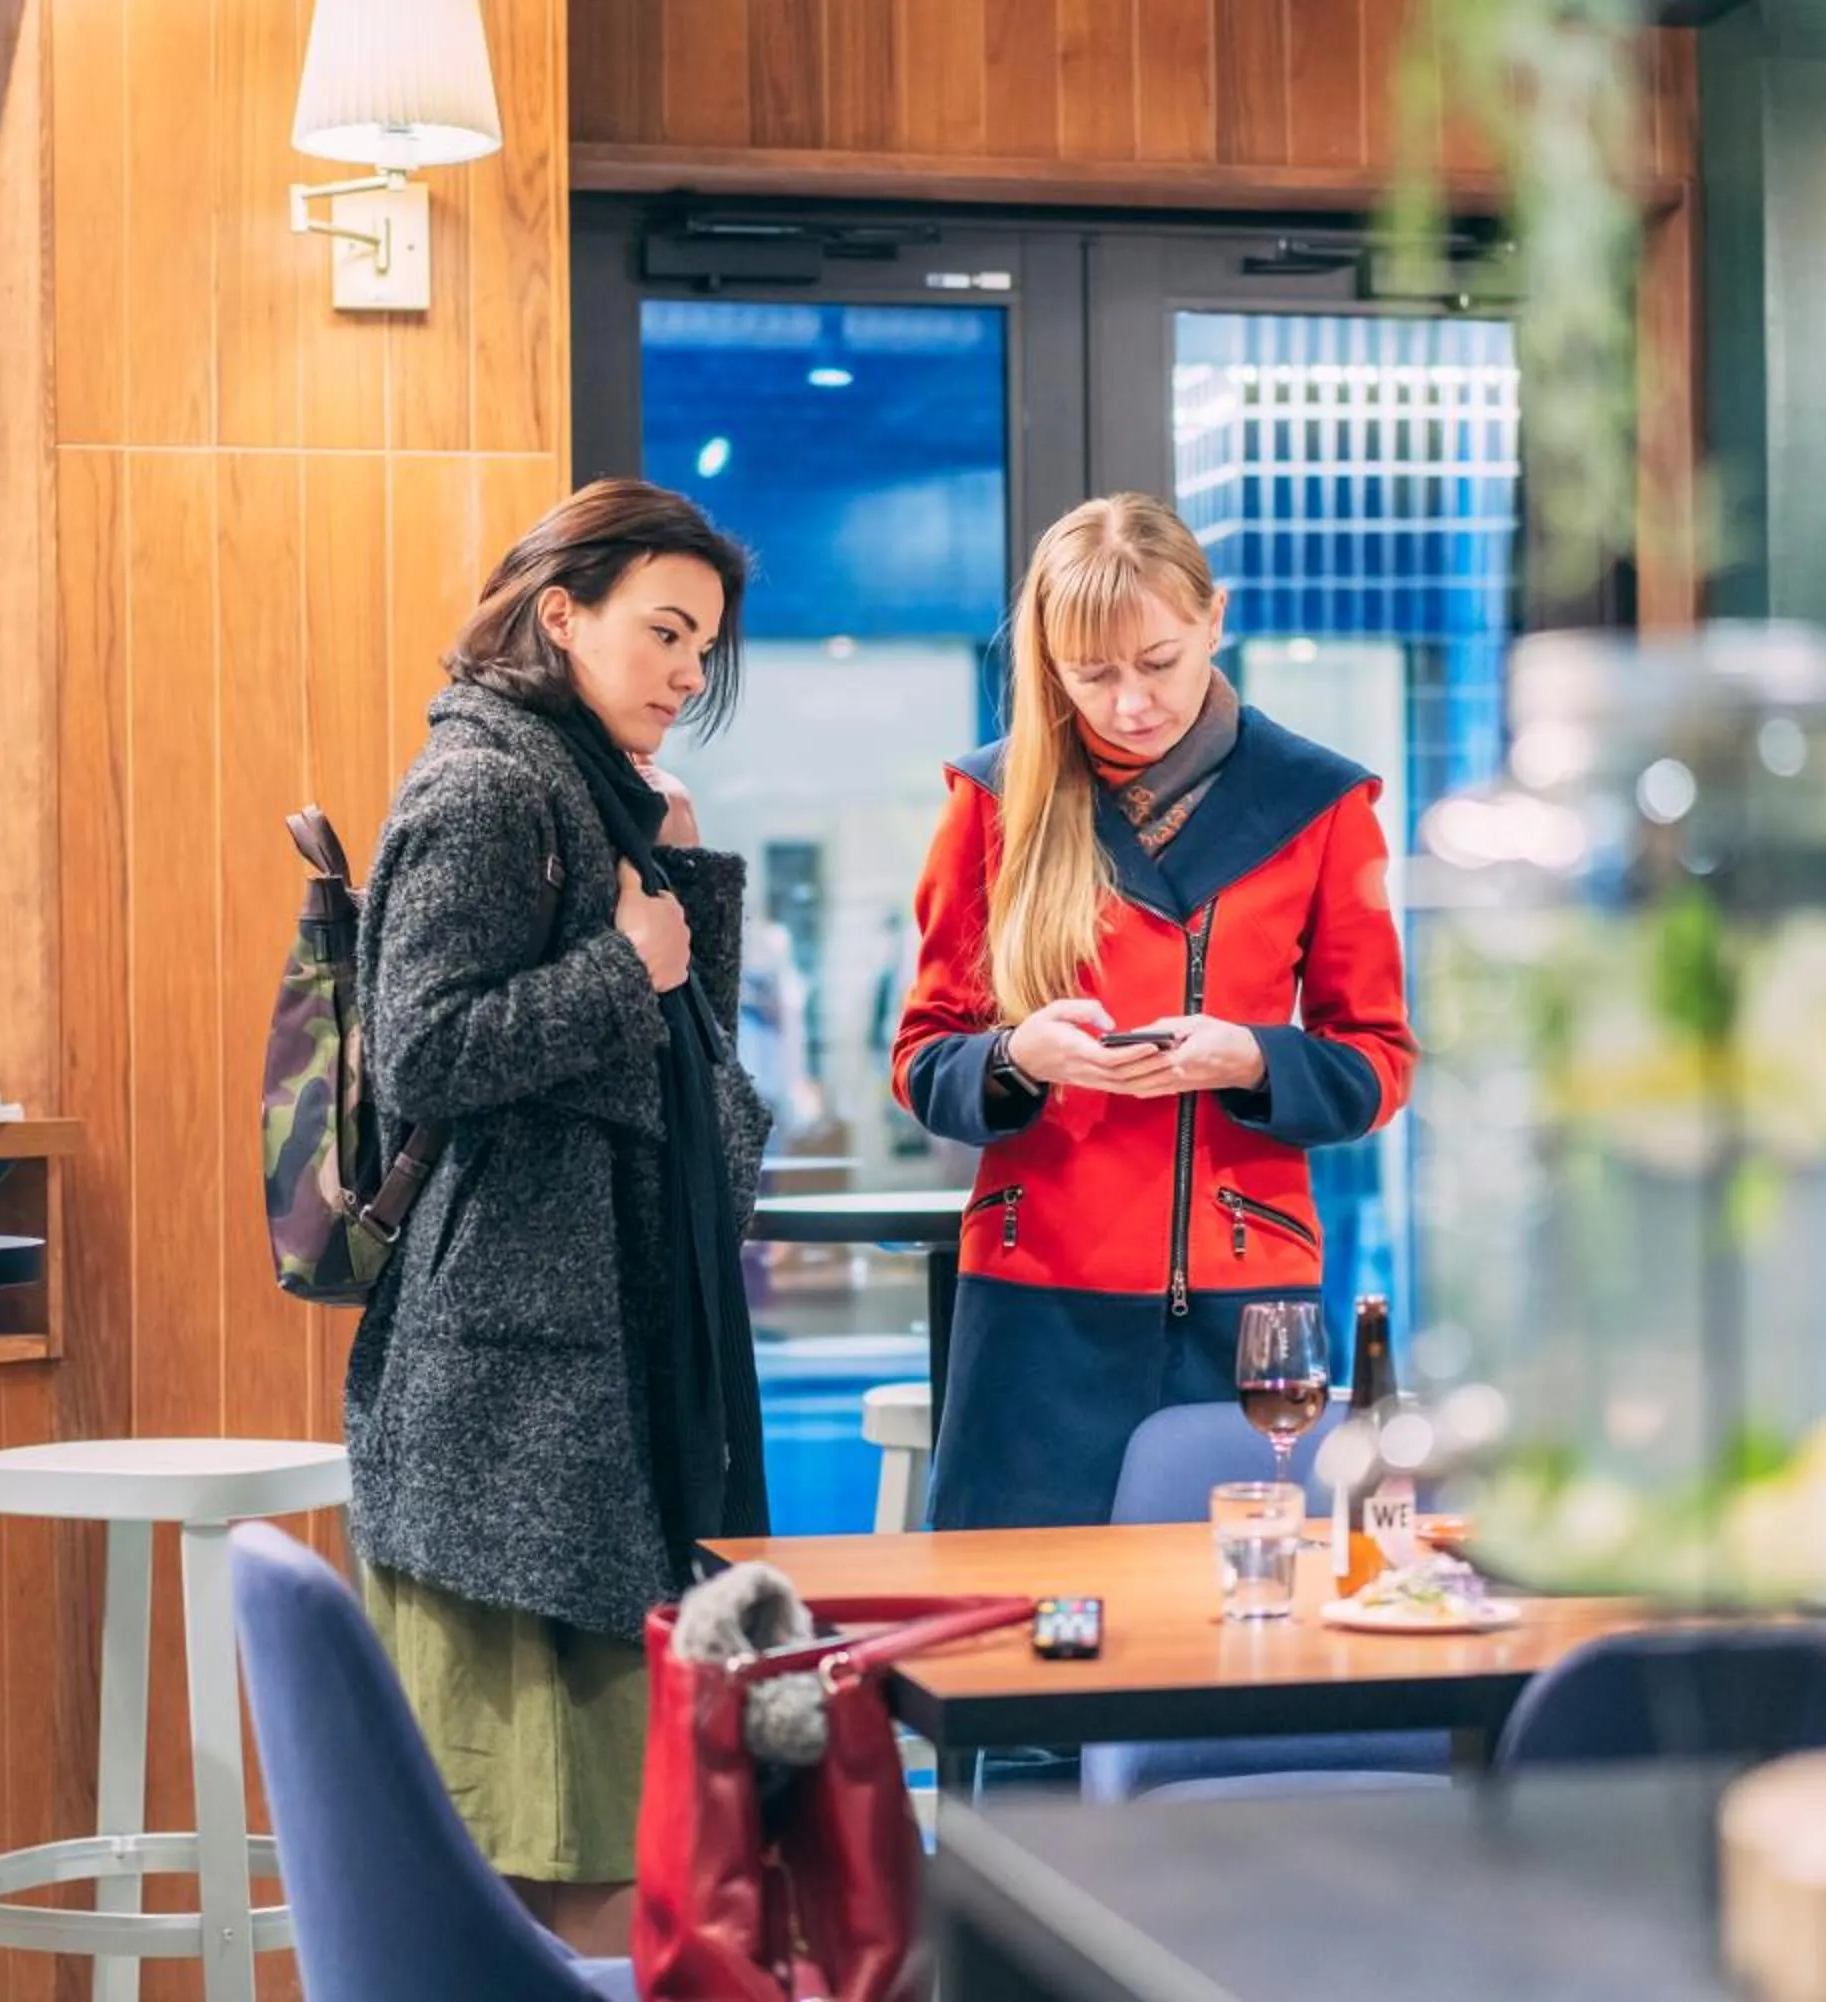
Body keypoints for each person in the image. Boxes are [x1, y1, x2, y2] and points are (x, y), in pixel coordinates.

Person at [345, 477, 772, 1953]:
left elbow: (702, 1112)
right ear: (559, 615)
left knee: (597, 1830)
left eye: (703, 647)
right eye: (663, 631)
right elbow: (424, 1052)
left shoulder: (597, 802)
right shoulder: (489, 787)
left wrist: (685, 892)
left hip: (593, 1393)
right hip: (518, 1413)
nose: (686, 672)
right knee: (559, 1846)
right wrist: (628, 964)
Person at [892, 494, 1418, 1528]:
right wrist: (1016, 1057)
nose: (1130, 702)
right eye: (1092, 675)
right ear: (1051, 663)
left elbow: (1379, 1062)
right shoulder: (994, 801)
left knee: (1240, 1641)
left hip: (1246, 1306)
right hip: (1033, 1305)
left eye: (1159, 661)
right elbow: (923, 1058)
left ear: (1214, 621)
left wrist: (1253, 1060)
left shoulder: (1322, 804)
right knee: (1018, 1644)